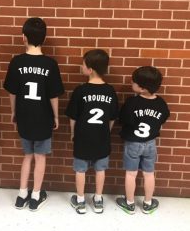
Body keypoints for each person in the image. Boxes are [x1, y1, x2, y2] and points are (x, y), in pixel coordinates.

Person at [3, 17, 64, 211]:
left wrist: (13, 111)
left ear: (23, 37)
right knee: (40, 158)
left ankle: (22, 195)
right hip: (43, 118)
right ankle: (36, 196)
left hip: (24, 117)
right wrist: (55, 116)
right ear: (44, 39)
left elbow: (12, 92)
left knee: (27, 156)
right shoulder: (50, 64)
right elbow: (54, 95)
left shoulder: (16, 62)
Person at [65, 49, 118, 214]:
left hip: (82, 137)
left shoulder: (80, 91)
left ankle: (80, 200)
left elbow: (73, 117)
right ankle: (98, 199)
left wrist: (73, 133)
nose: (81, 66)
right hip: (102, 138)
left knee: (80, 170)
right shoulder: (110, 91)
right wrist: (105, 133)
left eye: (83, 64)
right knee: (100, 169)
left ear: (90, 69)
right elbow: (111, 118)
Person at [116, 66, 170, 215]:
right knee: (149, 173)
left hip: (133, 143)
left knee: (131, 174)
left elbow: (123, 120)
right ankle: (147, 203)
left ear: (143, 88)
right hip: (151, 143)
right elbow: (164, 118)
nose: (131, 83)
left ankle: (129, 204)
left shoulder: (131, 103)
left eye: (134, 82)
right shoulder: (161, 104)